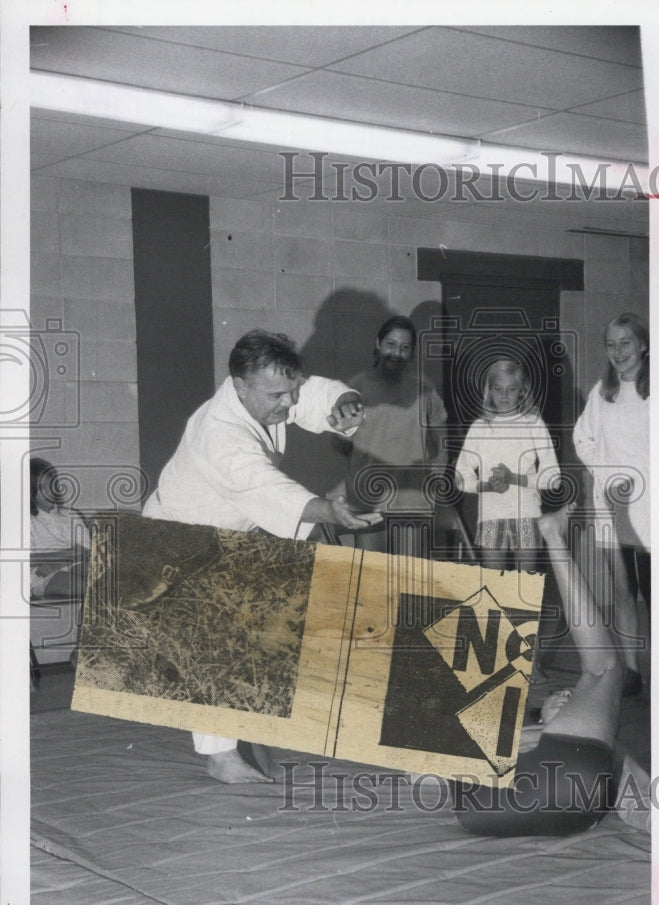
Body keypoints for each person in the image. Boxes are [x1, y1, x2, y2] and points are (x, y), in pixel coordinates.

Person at [143, 330, 381, 784]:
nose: (287, 403)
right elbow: (266, 488)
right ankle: (220, 755)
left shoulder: (266, 390)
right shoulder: (220, 436)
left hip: (228, 533)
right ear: (240, 386)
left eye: (289, 389)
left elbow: (312, 394)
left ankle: (253, 723)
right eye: (277, 395)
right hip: (176, 541)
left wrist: (344, 400)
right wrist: (326, 509)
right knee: (217, 637)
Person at [451, 503, 650, 837]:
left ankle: (552, 537)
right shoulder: (568, 740)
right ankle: (553, 537)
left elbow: (637, 804)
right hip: (487, 802)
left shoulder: (599, 750)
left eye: (566, 697)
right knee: (604, 671)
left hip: (517, 804)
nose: (568, 695)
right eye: (563, 695)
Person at [572, 312, 650, 697]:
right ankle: (632, 672)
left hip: (653, 510)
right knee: (622, 593)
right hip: (610, 506)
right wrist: (608, 473)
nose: (618, 351)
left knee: (657, 595)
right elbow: (581, 439)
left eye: (626, 343)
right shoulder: (602, 393)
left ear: (642, 345)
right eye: (611, 344)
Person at [340, 315, 448, 555]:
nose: (396, 352)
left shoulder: (424, 386)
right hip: (368, 499)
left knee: (409, 581)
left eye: (405, 347)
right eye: (391, 344)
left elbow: (441, 426)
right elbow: (340, 443)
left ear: (411, 353)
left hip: (413, 499)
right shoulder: (355, 387)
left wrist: (439, 466)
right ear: (378, 344)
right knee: (371, 580)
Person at [454, 357, 562, 572]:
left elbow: (553, 477)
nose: (504, 396)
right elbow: (460, 475)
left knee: (526, 587)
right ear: (489, 390)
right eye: (498, 389)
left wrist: (515, 479)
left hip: (527, 515)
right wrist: (486, 486)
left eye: (511, 389)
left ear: (522, 390)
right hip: (491, 516)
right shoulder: (480, 428)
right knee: (495, 588)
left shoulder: (533, 423)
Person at [29, 457, 90, 599]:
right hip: (43, 573)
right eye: (41, 488)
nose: (48, 492)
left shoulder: (70, 515)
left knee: (105, 579)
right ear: (29, 491)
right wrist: (70, 553)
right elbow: (27, 558)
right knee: (79, 586)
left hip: (75, 563)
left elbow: (87, 549)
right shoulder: (26, 520)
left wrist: (60, 562)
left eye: (51, 485)